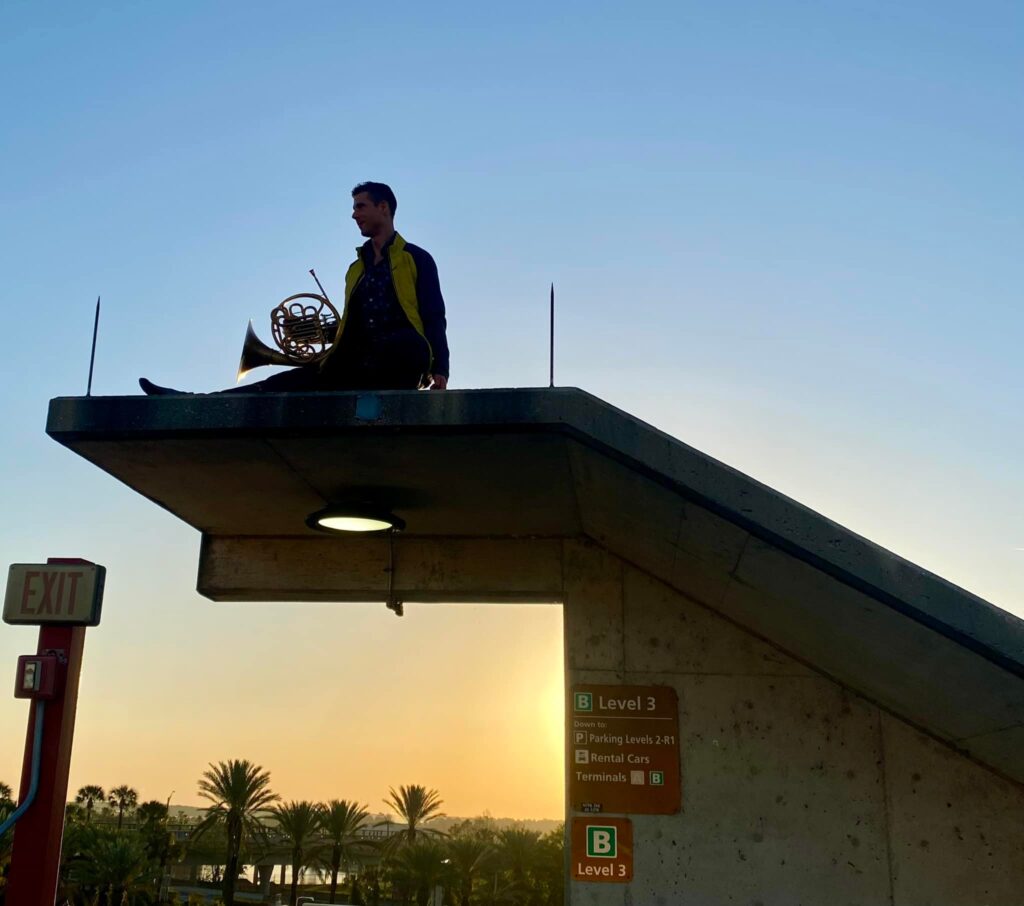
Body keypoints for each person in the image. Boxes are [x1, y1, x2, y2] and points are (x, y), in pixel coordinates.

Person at [140, 181, 449, 394]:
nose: (354, 214)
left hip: (402, 357)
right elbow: (355, 327)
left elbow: (434, 316)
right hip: (360, 359)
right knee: (281, 384)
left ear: (383, 207)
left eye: (360, 206)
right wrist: (312, 331)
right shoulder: (356, 269)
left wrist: (441, 369)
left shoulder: (416, 258)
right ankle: (197, 400)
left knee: (396, 345)